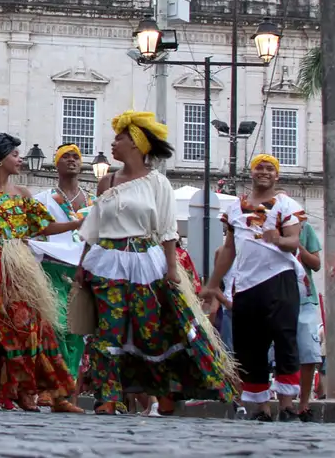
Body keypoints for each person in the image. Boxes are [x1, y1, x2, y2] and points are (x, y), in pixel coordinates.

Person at [81, 112, 235, 416]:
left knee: (150, 331)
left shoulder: (157, 183)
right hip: (106, 261)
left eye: (120, 138)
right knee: (107, 331)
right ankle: (108, 397)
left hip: (145, 262)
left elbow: (167, 229)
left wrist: (172, 268)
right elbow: (93, 227)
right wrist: (81, 265)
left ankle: (166, 390)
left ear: (137, 144)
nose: (114, 143)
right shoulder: (106, 181)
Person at [0, 134, 83, 412]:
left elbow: (42, 227)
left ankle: (27, 392)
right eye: (15, 155)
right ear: (1, 159)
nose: (20, 160)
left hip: (17, 268)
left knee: (27, 327)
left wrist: (76, 225)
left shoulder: (22, 194)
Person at [205, 154, 305, 421]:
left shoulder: (286, 205)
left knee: (284, 339)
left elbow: (294, 241)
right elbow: (229, 248)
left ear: (277, 176)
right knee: (250, 346)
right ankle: (261, 408)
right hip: (246, 284)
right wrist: (213, 283)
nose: (264, 172)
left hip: (279, 278)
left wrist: (279, 239)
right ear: (251, 173)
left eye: (269, 168)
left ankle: (286, 405)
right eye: (259, 167)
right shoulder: (236, 209)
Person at [31, 143, 93, 406]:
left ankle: (66, 391)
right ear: (55, 164)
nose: (71, 161)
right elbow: (35, 231)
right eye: (65, 157)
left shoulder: (93, 202)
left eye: (76, 157)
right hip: (52, 268)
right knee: (55, 327)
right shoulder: (43, 199)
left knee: (76, 331)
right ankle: (55, 386)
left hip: (81, 272)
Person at [296, 218, 323, 419]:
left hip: (304, 297)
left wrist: (300, 249)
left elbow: (316, 264)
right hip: (275, 296)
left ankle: (304, 403)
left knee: (309, 351)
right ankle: (284, 401)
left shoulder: (305, 229)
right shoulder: (265, 226)